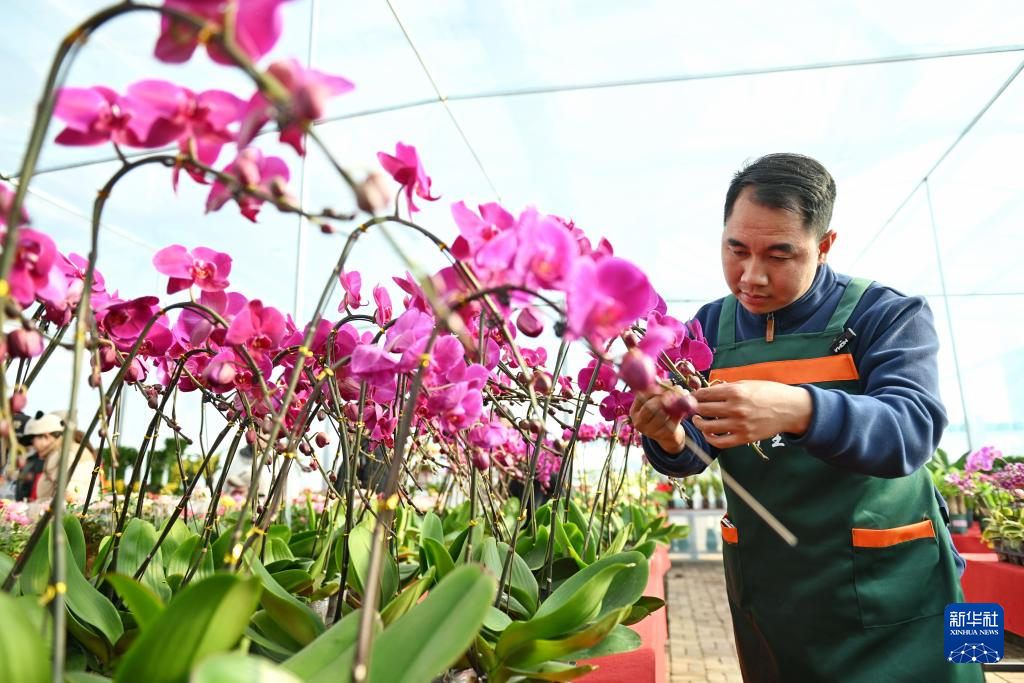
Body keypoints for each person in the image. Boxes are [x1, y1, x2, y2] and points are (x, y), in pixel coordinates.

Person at [631, 154, 980, 682]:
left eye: (779, 254)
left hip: (899, 581)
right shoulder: (708, 329)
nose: (751, 276)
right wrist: (671, 438)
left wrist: (798, 408)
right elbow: (698, 450)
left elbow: (913, 430)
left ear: (824, 245)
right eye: (736, 249)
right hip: (772, 590)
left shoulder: (885, 315)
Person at [23, 412, 96, 503]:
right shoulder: (59, 452)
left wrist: (26, 510)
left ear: (46, 436)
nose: (32, 445)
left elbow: (69, 500)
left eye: (32, 440)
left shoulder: (66, 453)